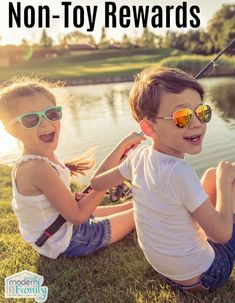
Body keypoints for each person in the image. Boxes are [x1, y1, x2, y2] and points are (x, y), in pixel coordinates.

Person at [91, 67, 235, 291]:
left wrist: (122, 146)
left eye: (201, 112)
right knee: (229, 181)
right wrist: (226, 183)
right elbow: (222, 235)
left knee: (210, 175)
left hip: (170, 273)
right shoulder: (179, 172)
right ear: (149, 127)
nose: (196, 123)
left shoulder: (138, 157)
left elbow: (97, 182)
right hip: (206, 276)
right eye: (182, 117)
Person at [0, 77, 144, 259]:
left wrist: (122, 146)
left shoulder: (41, 157)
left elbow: (84, 195)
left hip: (59, 228)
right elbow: (78, 216)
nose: (45, 123)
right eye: (31, 119)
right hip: (67, 239)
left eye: (51, 114)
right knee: (145, 210)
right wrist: (105, 184)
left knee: (135, 204)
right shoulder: (36, 168)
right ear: (11, 129)